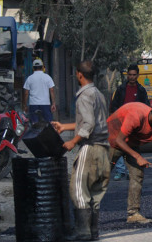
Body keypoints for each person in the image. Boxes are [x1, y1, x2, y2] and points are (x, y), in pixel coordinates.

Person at [51, 60, 110, 241]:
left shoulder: (84, 96)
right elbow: (92, 122)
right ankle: (93, 232)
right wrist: (65, 127)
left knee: (78, 189)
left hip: (89, 148)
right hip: (103, 149)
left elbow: (89, 124)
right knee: (95, 192)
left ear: (79, 74)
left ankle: (83, 232)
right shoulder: (98, 94)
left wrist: (73, 142)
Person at [109, 64, 150, 181]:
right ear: (127, 75)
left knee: (133, 147)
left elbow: (145, 107)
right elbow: (114, 105)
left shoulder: (141, 91)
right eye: (130, 75)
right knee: (118, 146)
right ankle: (120, 171)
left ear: (137, 75)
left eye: (134, 75)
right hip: (121, 123)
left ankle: (132, 171)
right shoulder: (120, 89)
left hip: (135, 125)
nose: (132, 77)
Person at [23, 58, 56, 123]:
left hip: (33, 104)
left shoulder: (30, 78)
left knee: (34, 124)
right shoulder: (47, 77)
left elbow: (26, 93)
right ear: (42, 67)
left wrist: (25, 105)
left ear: (33, 68)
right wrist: (53, 103)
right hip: (45, 104)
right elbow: (51, 90)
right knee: (49, 124)